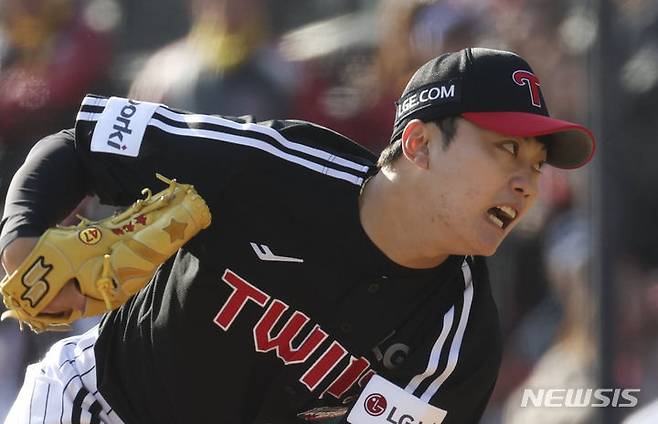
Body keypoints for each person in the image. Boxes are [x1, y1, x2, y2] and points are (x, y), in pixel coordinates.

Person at [0, 48, 595, 424]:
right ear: (417, 145)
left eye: (538, 164)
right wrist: (21, 242)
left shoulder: (458, 337)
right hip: (98, 402)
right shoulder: (272, 165)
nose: (526, 181)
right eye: (506, 148)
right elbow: (80, 143)